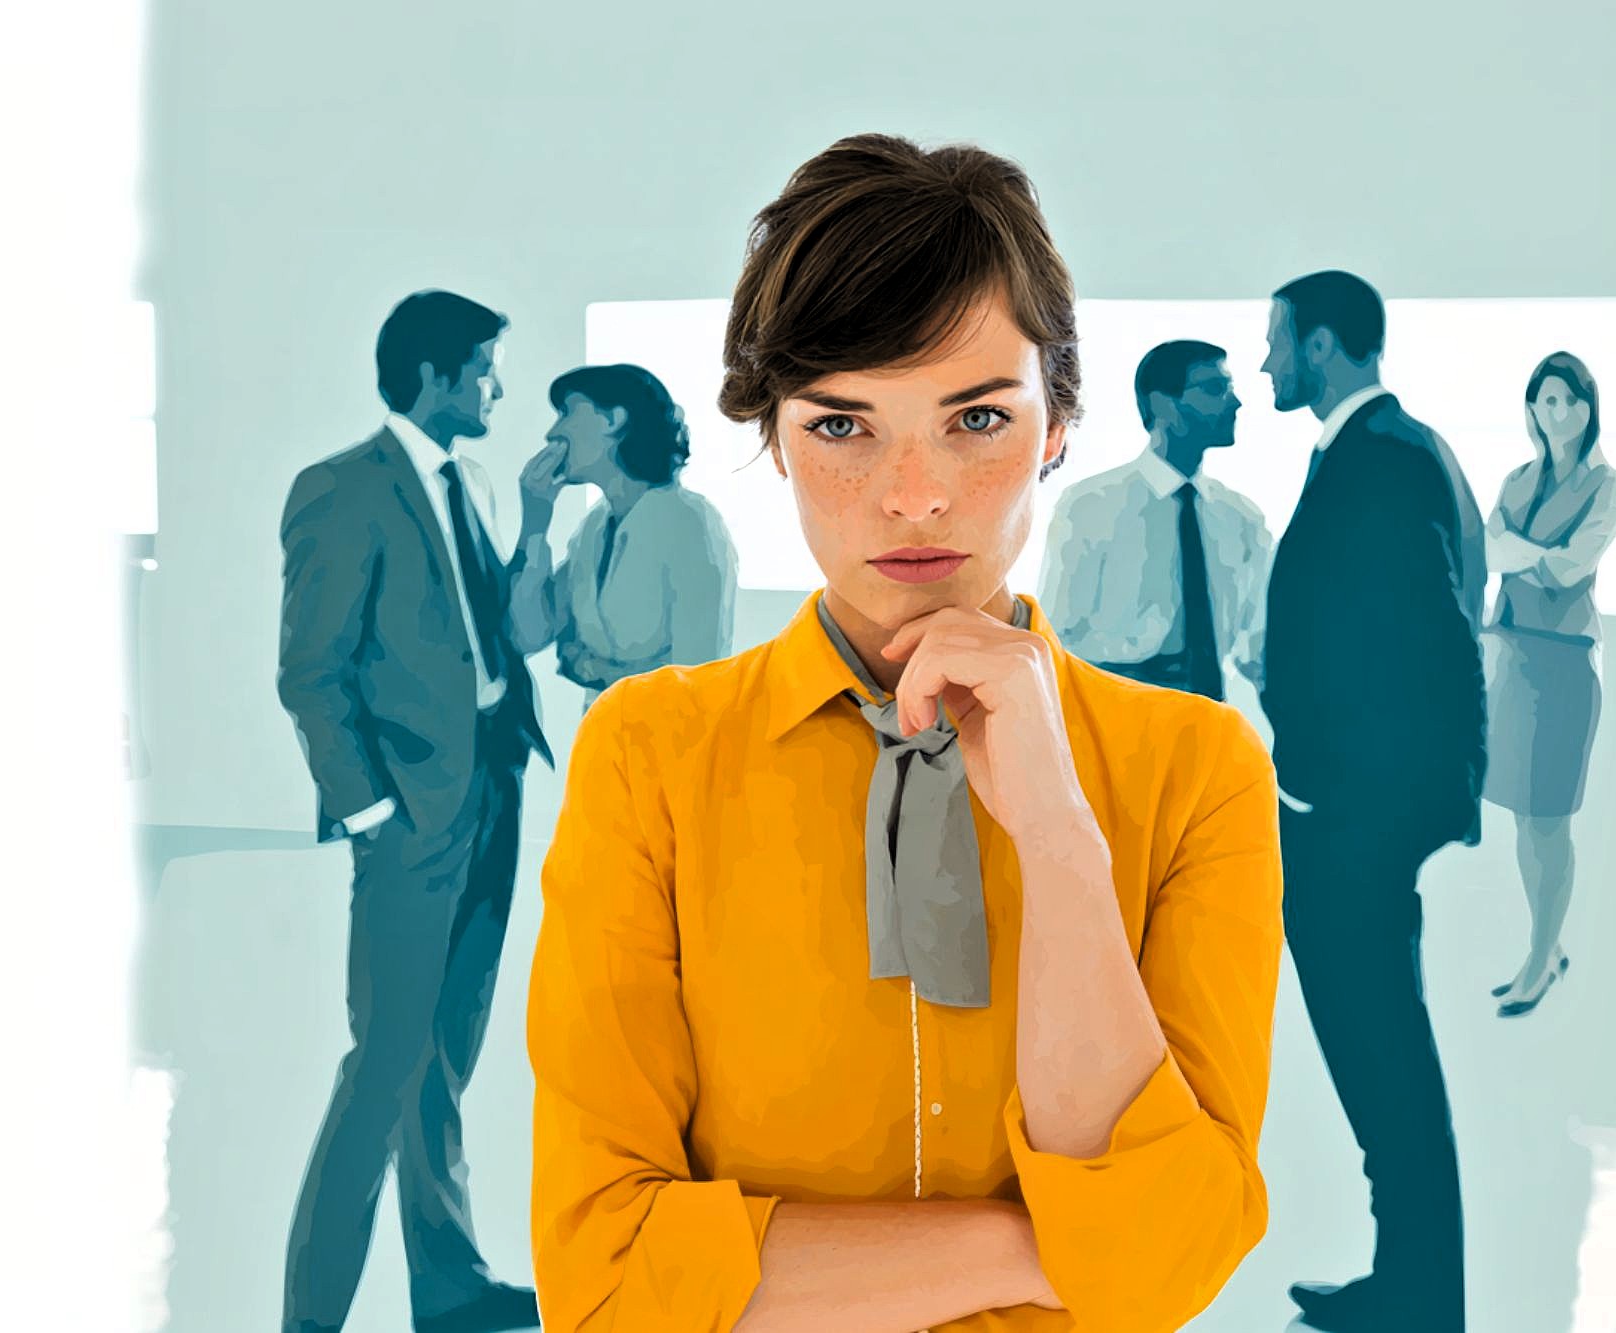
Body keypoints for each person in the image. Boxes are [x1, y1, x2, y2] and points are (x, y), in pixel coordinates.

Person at [525, 134, 1284, 1332]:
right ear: (772, 438)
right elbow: (607, 1279)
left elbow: (1167, 1269)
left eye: (975, 417)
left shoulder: (1194, 770)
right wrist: (1040, 1250)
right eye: (841, 426)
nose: (912, 492)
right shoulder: (649, 754)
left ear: (1057, 426)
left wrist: (1055, 828)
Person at [276, 290, 553, 1333]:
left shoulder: (472, 482)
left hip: (491, 787)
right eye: (485, 370)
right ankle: (311, 1315)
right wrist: (370, 813)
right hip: (409, 818)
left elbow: (505, 639)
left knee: (444, 1053)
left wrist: (535, 518)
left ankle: (448, 1287)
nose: (496, 389)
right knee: (382, 1061)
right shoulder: (340, 489)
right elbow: (309, 672)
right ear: (434, 378)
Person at [1257, 270, 1486, 1333]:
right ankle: (1407, 1283)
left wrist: (1359, 800)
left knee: (1382, 1050)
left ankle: (1421, 1298)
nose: (1264, 362)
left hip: (1352, 821)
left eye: (1277, 341)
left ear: (1324, 346)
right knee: (1378, 1050)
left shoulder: (1381, 458)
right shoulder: (1391, 448)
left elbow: (1438, 634)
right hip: (1353, 812)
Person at [1483, 351, 1616, 1017]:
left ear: (1589, 406)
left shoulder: (1609, 486)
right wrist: (1516, 555)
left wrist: (1520, 553)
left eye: (1572, 400)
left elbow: (1571, 569)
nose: (1560, 412)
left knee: (1551, 819)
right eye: (1548, 400)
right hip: (1512, 656)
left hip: (1565, 661)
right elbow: (1485, 551)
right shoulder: (1518, 479)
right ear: (1532, 409)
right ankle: (1545, 944)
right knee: (1523, 814)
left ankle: (1541, 959)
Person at [1038, 339, 1271, 698]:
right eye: (1215, 389)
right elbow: (1058, 635)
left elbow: (1255, 646)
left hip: (1212, 719)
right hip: (1116, 709)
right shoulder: (1091, 507)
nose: (1236, 403)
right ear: (1164, 405)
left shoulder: (1241, 520)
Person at [510, 363, 738, 708]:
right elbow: (529, 634)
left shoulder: (692, 523)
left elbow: (700, 677)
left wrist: (594, 668)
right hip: (602, 741)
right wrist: (535, 522)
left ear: (613, 420)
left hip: (668, 745)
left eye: (566, 412)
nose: (553, 432)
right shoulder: (593, 529)